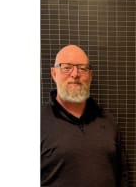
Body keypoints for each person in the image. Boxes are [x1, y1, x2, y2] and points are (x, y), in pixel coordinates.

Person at [41, 44, 129, 187]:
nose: (75, 74)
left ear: (90, 76)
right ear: (54, 73)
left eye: (82, 68)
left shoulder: (108, 121)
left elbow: (122, 175)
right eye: (67, 68)